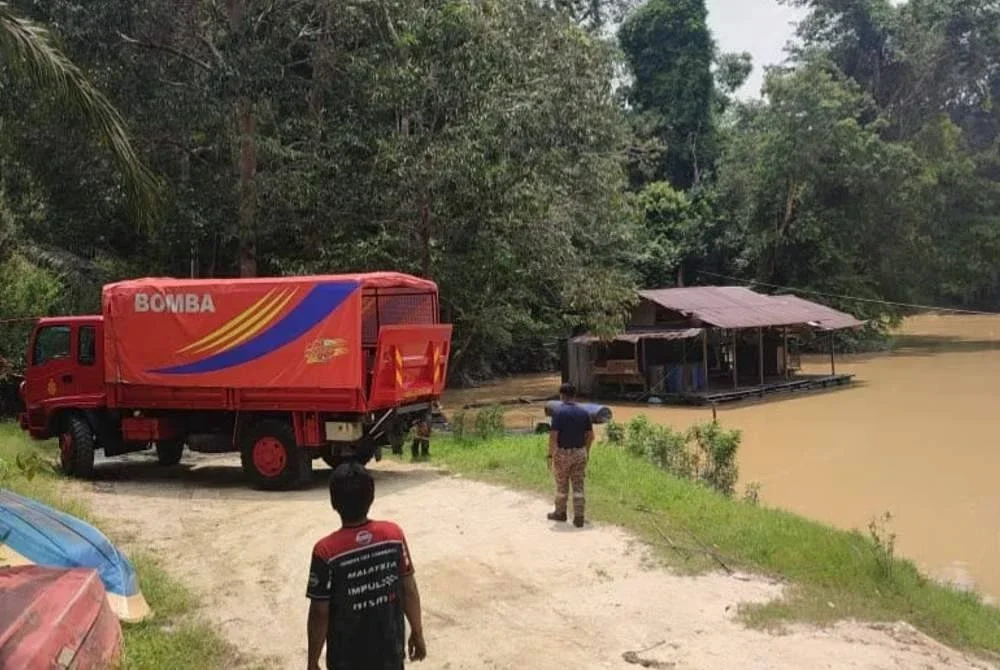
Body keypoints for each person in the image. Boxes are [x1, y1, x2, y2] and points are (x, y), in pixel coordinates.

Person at [306, 462, 427, 670]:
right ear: (371, 497)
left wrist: (312, 661)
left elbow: (319, 612)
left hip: (346, 660)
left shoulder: (326, 551)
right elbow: (409, 589)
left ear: (334, 502)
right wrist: (417, 632)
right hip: (390, 653)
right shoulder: (393, 536)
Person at [547, 383, 594, 528]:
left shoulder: (558, 413)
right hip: (580, 452)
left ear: (561, 396)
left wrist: (550, 455)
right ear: (575, 395)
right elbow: (591, 436)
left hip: (563, 453)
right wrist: (586, 451)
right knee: (578, 485)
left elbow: (553, 437)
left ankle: (560, 513)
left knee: (562, 485)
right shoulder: (584, 413)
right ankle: (579, 516)